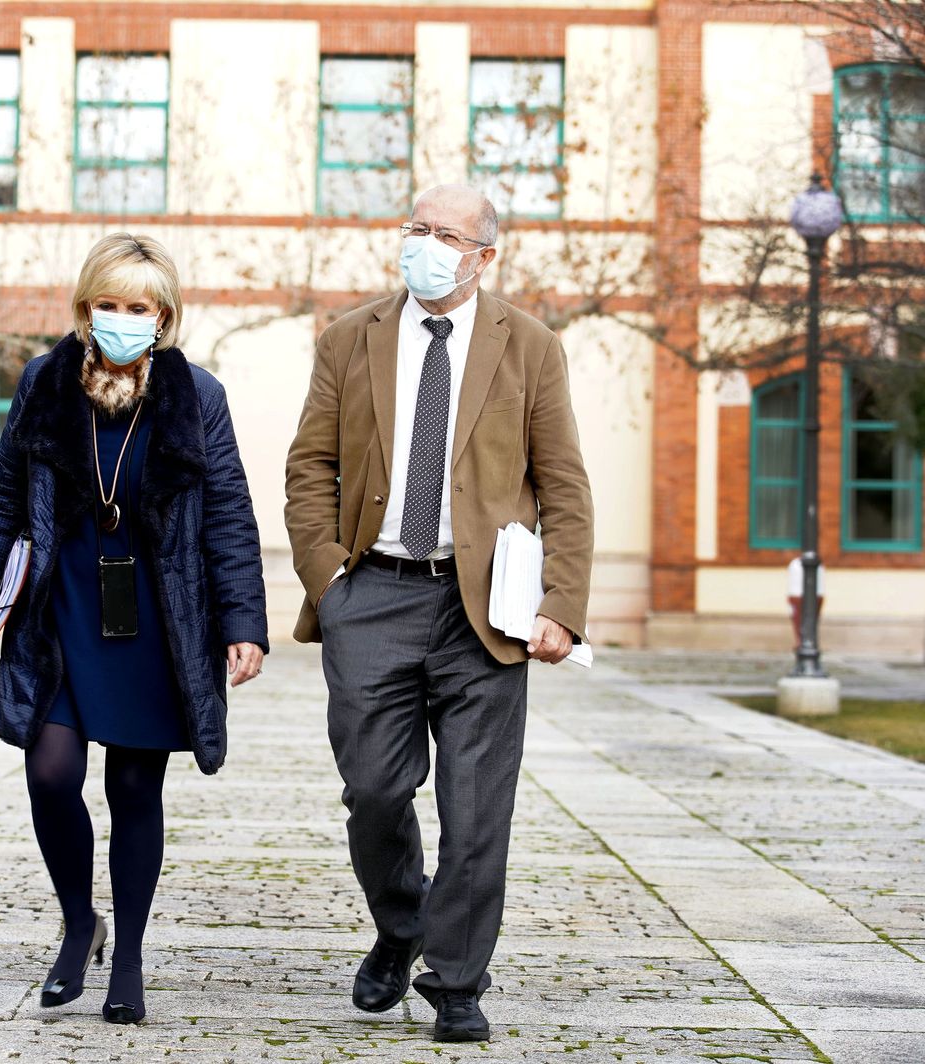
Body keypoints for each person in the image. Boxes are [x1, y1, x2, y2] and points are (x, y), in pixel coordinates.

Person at [284, 185, 594, 1042]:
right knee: (374, 791)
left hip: (484, 608)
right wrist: (329, 586)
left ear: (484, 255)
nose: (425, 244)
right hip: (373, 593)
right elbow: (308, 467)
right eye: (416, 229)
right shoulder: (349, 338)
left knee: (476, 805)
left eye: (446, 234)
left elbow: (563, 483)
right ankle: (400, 926)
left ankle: (457, 983)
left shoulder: (530, 347)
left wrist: (562, 605)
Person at [0, 232, 268, 1025]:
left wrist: (244, 623)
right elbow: (1, 492)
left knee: (135, 787)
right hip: (61, 612)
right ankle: (77, 922)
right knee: (50, 771)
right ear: (85, 307)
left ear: (162, 316)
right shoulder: (44, 382)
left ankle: (127, 956)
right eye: (108, 304)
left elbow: (229, 513)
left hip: (160, 615)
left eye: (139, 307)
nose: (122, 318)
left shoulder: (197, 396)